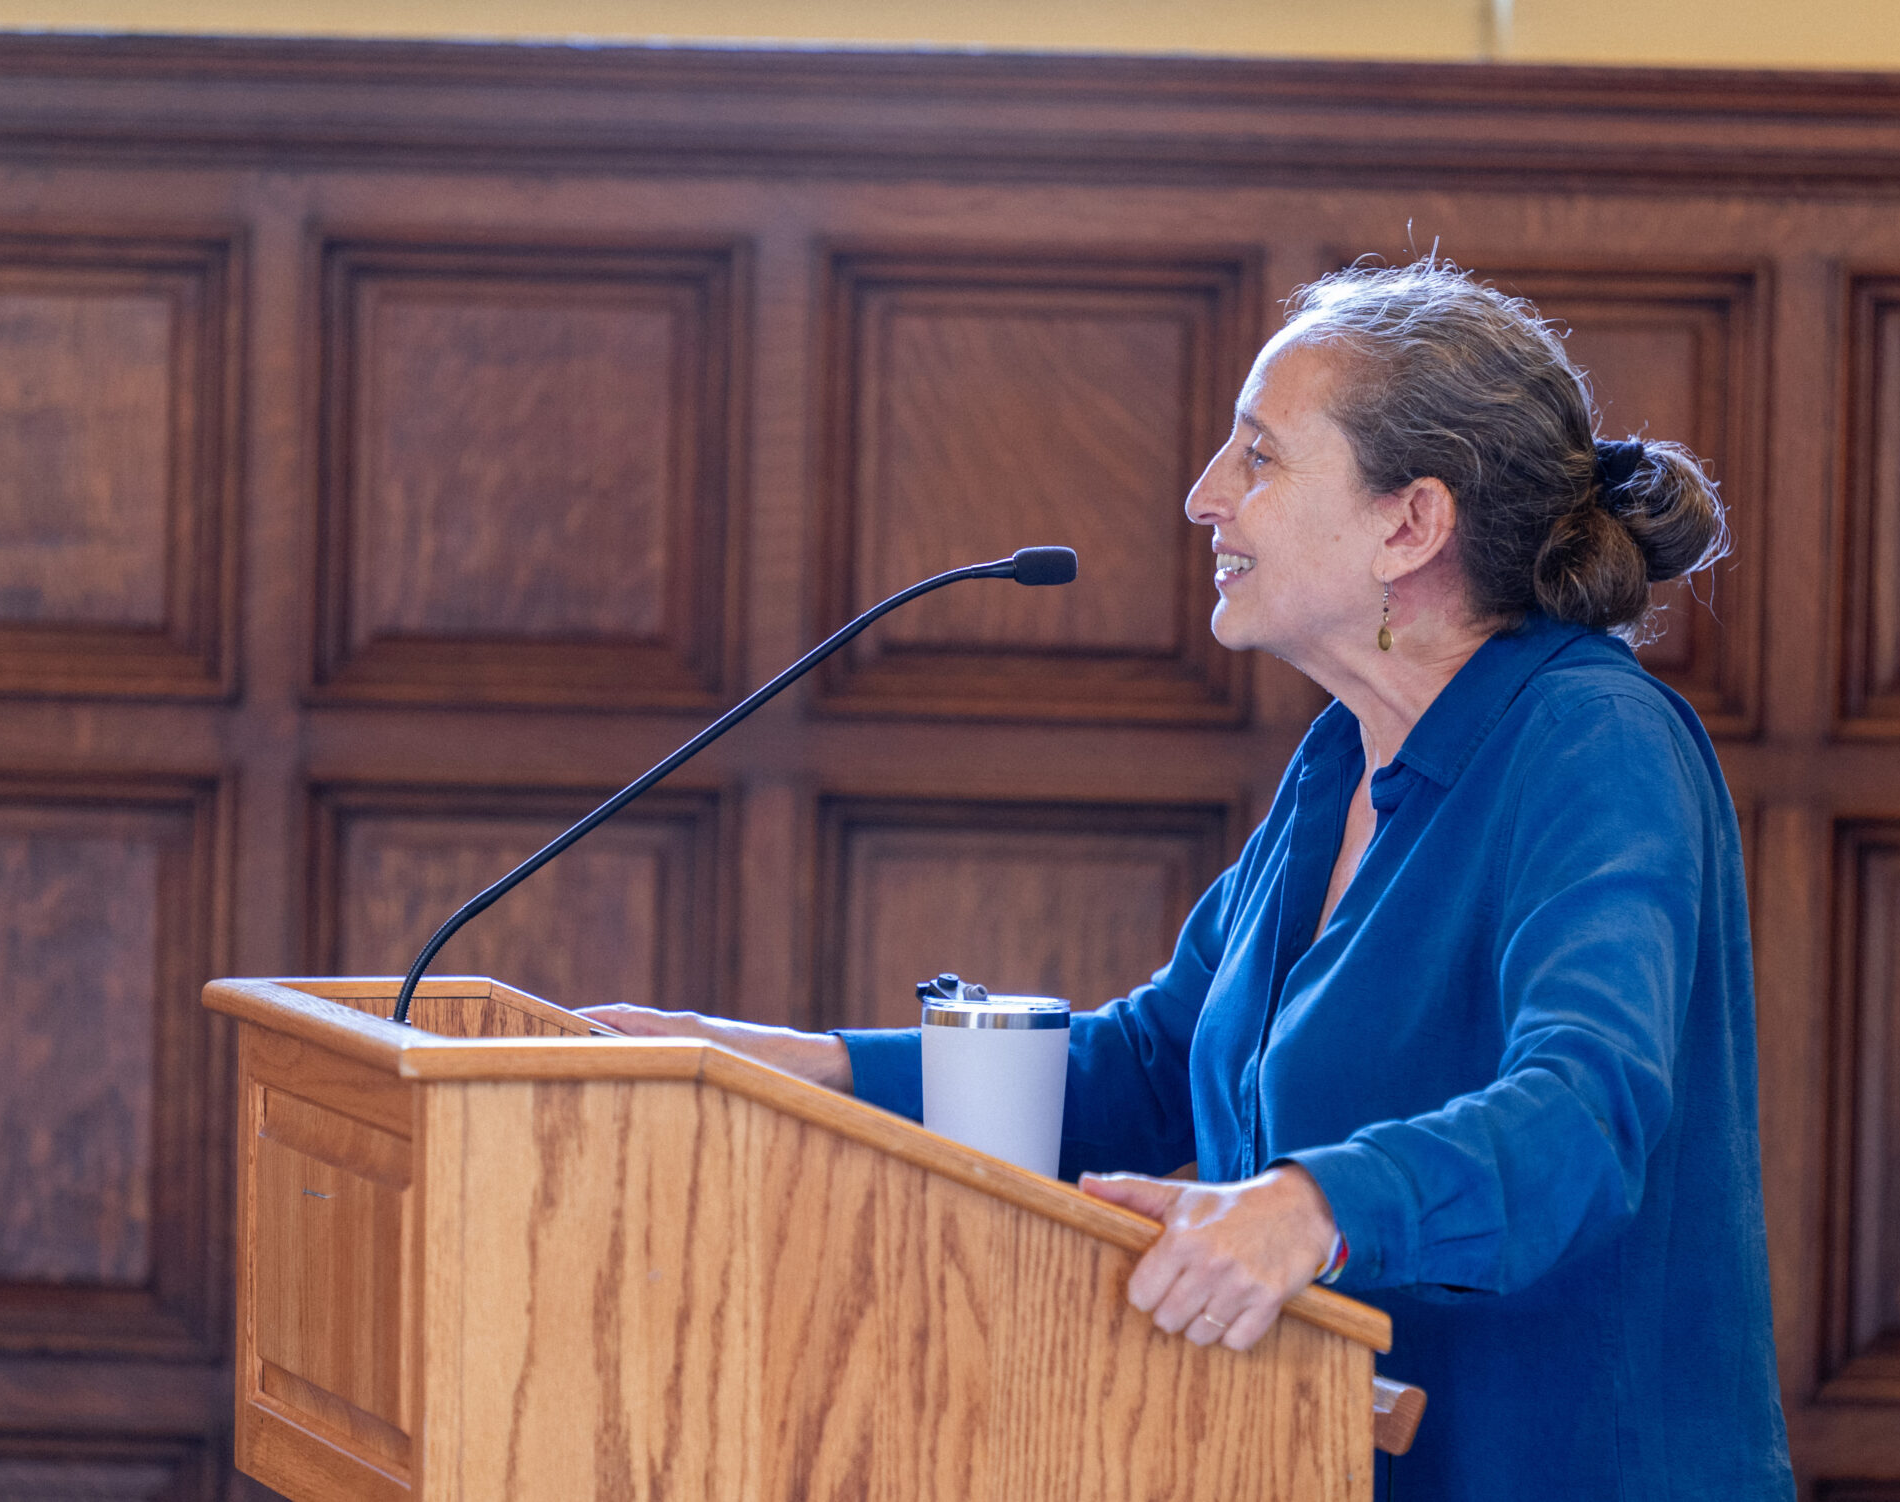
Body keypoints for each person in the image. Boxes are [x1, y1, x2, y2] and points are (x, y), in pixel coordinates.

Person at [586, 255, 1796, 1500]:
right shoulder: (1339, 760)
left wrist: (1310, 1204)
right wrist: (785, 1064)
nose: (1202, 496)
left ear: (1410, 523)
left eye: (1258, 457)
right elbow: (1154, 1063)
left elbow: (1586, 1109)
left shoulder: (1592, 743)